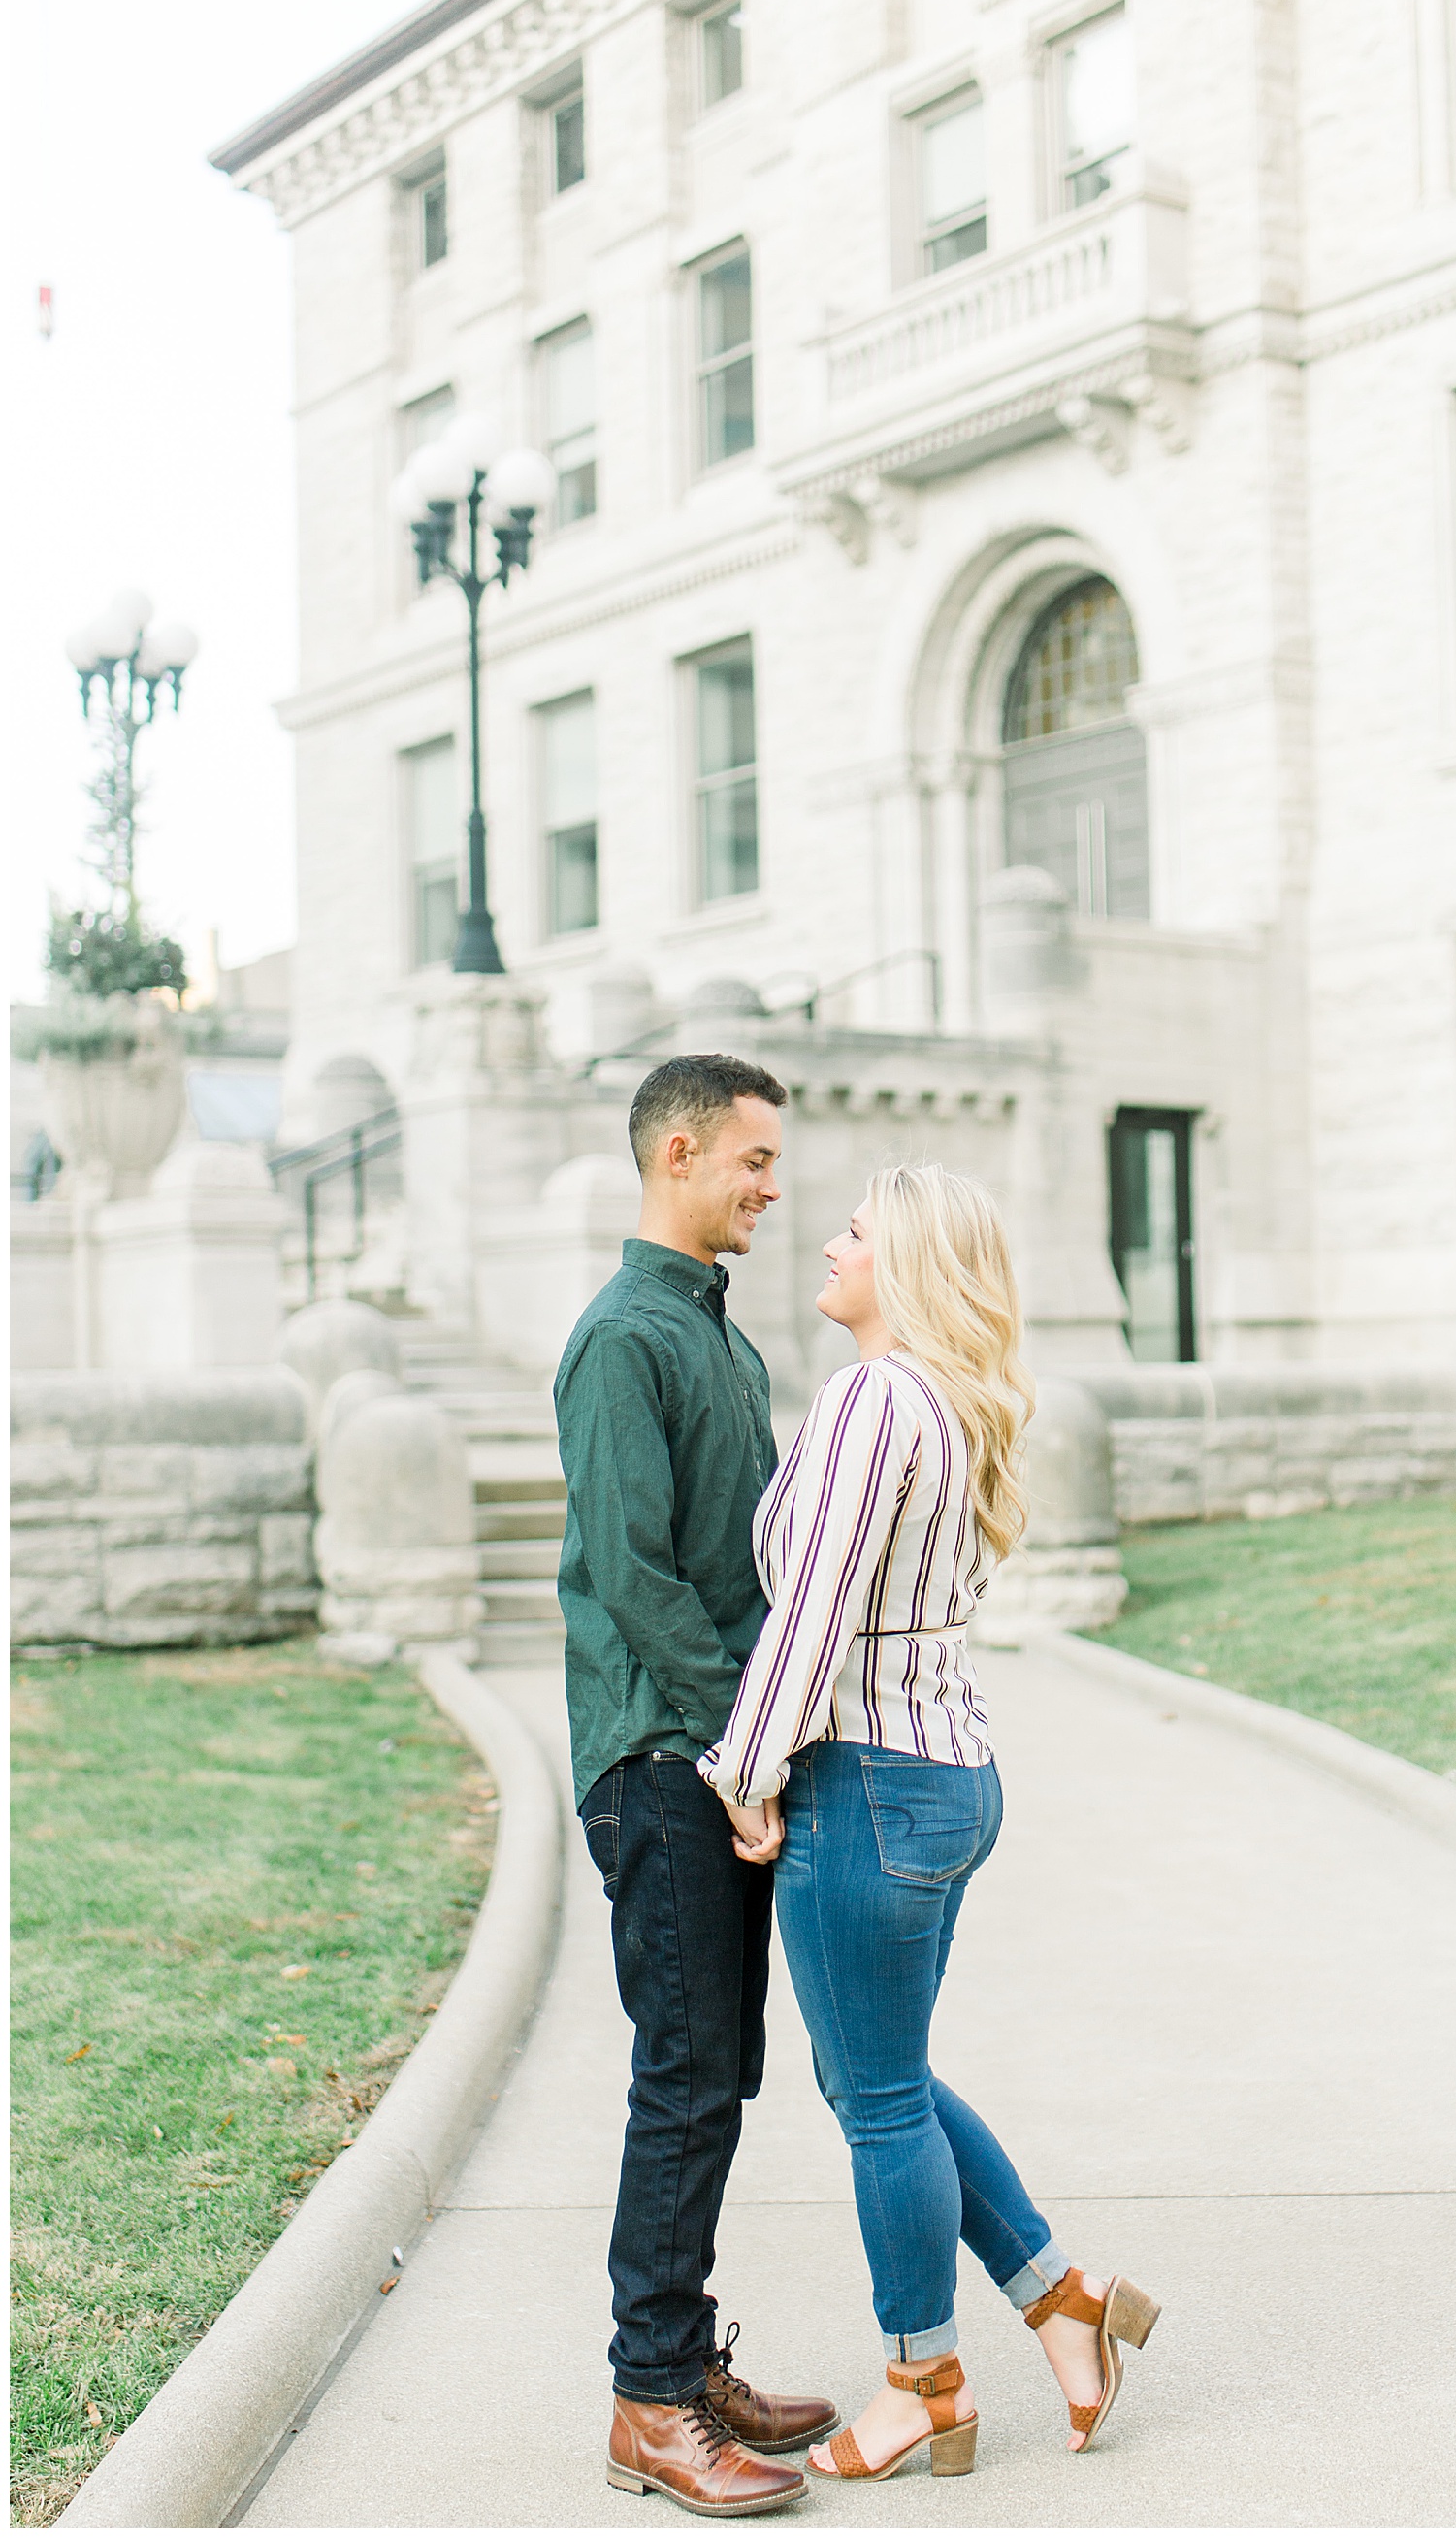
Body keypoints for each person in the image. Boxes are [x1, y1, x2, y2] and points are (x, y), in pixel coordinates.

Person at [699, 1162, 1159, 2485]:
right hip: (946, 1776)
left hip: (870, 1781)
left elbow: (816, 1607)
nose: (827, 1247)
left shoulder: (870, 1398)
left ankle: (924, 2388)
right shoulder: (946, 1404)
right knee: (880, 2078)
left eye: (853, 1231)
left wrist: (746, 1766)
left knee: (879, 2097)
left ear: (902, 1267)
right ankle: (1065, 2302)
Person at [555, 1052, 838, 2519]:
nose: (772, 1185)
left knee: (718, 2074)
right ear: (678, 1152)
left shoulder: (720, 1337)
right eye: (753, 1159)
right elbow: (636, 1573)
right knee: (684, 2075)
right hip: (665, 1758)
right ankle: (647, 2404)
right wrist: (744, 1749)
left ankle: (679, 2360)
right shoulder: (622, 1339)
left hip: (717, 1751)